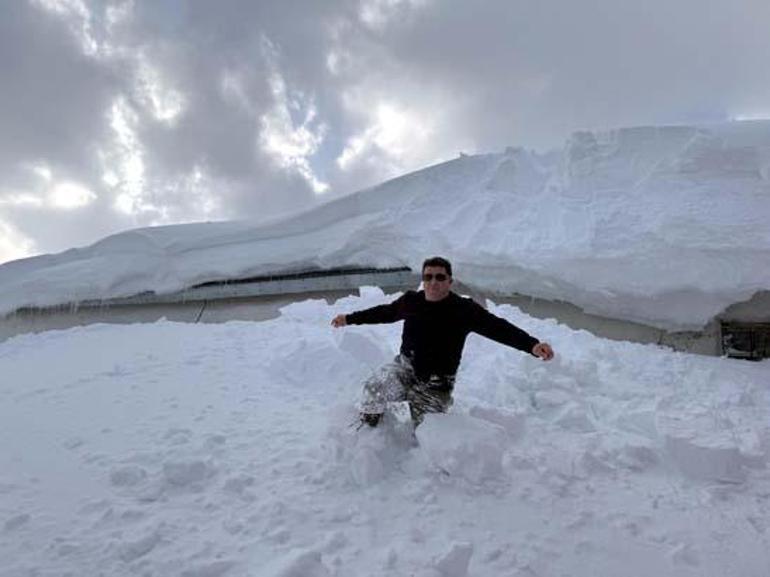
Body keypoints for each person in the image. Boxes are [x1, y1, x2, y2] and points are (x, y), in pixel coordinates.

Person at [331, 256, 554, 427]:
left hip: (436, 383)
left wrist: (532, 345)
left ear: (449, 281)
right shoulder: (412, 301)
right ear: (423, 280)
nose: (433, 282)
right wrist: (350, 319)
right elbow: (384, 312)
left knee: (428, 431)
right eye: (428, 277)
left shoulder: (464, 310)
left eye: (439, 277)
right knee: (374, 389)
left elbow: (499, 328)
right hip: (405, 368)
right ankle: (372, 429)